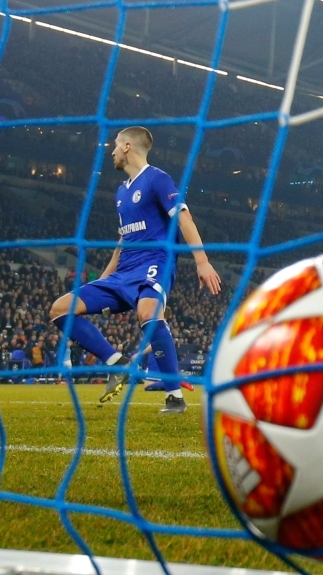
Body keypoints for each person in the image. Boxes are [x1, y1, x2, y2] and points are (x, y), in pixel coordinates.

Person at [49, 127, 221, 413]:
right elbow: (123, 239)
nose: (112, 151)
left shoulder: (158, 179)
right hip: (122, 272)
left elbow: (184, 218)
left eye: (115, 146)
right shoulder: (121, 192)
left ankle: (174, 396)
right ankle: (117, 364)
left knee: (148, 313)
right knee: (60, 309)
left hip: (155, 262)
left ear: (128, 146)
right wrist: (104, 279)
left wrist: (202, 262)